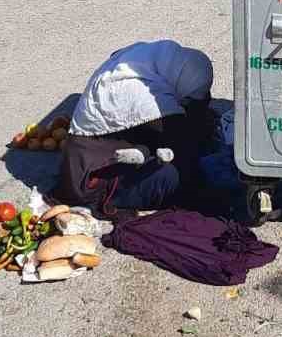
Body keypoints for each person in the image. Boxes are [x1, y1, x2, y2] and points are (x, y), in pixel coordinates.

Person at [57, 41, 214, 214]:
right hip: (89, 181)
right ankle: (116, 196)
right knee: (179, 176)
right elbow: (183, 141)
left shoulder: (145, 60)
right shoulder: (146, 98)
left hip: (102, 151)